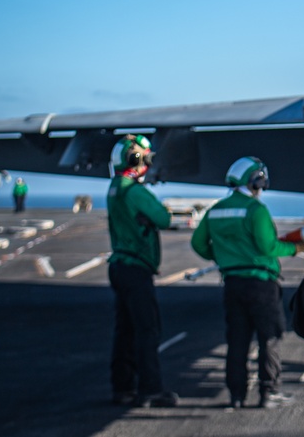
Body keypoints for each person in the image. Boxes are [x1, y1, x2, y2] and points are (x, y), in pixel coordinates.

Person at [190, 157, 304, 410]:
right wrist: (296, 247)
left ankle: (237, 395)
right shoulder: (256, 210)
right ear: (256, 180)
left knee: (237, 340)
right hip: (261, 285)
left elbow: (198, 244)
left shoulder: (216, 210)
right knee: (269, 338)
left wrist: (224, 257)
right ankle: (269, 392)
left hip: (233, 283)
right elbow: (268, 246)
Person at [106, 134, 179, 408]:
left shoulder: (115, 187)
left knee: (124, 330)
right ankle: (150, 390)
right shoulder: (135, 191)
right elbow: (163, 218)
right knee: (147, 330)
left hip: (119, 265)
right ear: (137, 160)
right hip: (136, 267)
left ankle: (122, 387)